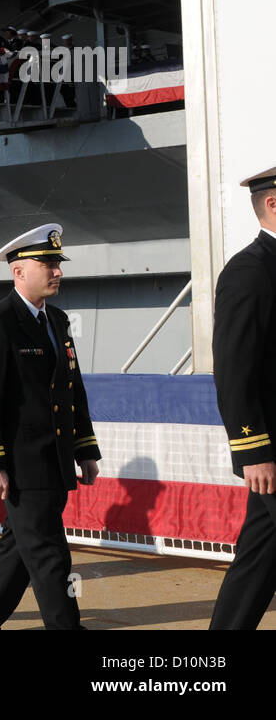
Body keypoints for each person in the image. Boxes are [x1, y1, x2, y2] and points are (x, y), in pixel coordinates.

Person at [0, 223, 101, 630]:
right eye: (48, 263)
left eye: (58, 263)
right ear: (18, 270)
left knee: (17, 555)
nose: (57, 271)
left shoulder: (56, 321)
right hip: (22, 467)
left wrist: (85, 448)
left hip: (54, 462)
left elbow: (71, 389)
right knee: (51, 559)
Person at [210, 166, 276, 629]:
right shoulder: (250, 272)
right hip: (274, 447)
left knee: (260, 559)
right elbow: (234, 369)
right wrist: (253, 450)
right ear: (272, 204)